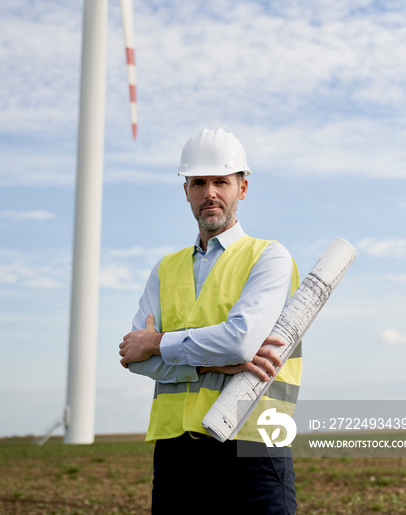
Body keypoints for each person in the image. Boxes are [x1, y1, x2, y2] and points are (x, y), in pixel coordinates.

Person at [119, 128, 302, 515]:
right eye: (199, 182)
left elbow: (240, 344)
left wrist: (157, 343)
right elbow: (134, 358)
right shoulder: (165, 269)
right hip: (177, 453)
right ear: (186, 190)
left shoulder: (269, 258)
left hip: (253, 446)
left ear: (243, 188)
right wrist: (211, 362)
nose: (210, 193)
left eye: (221, 181)